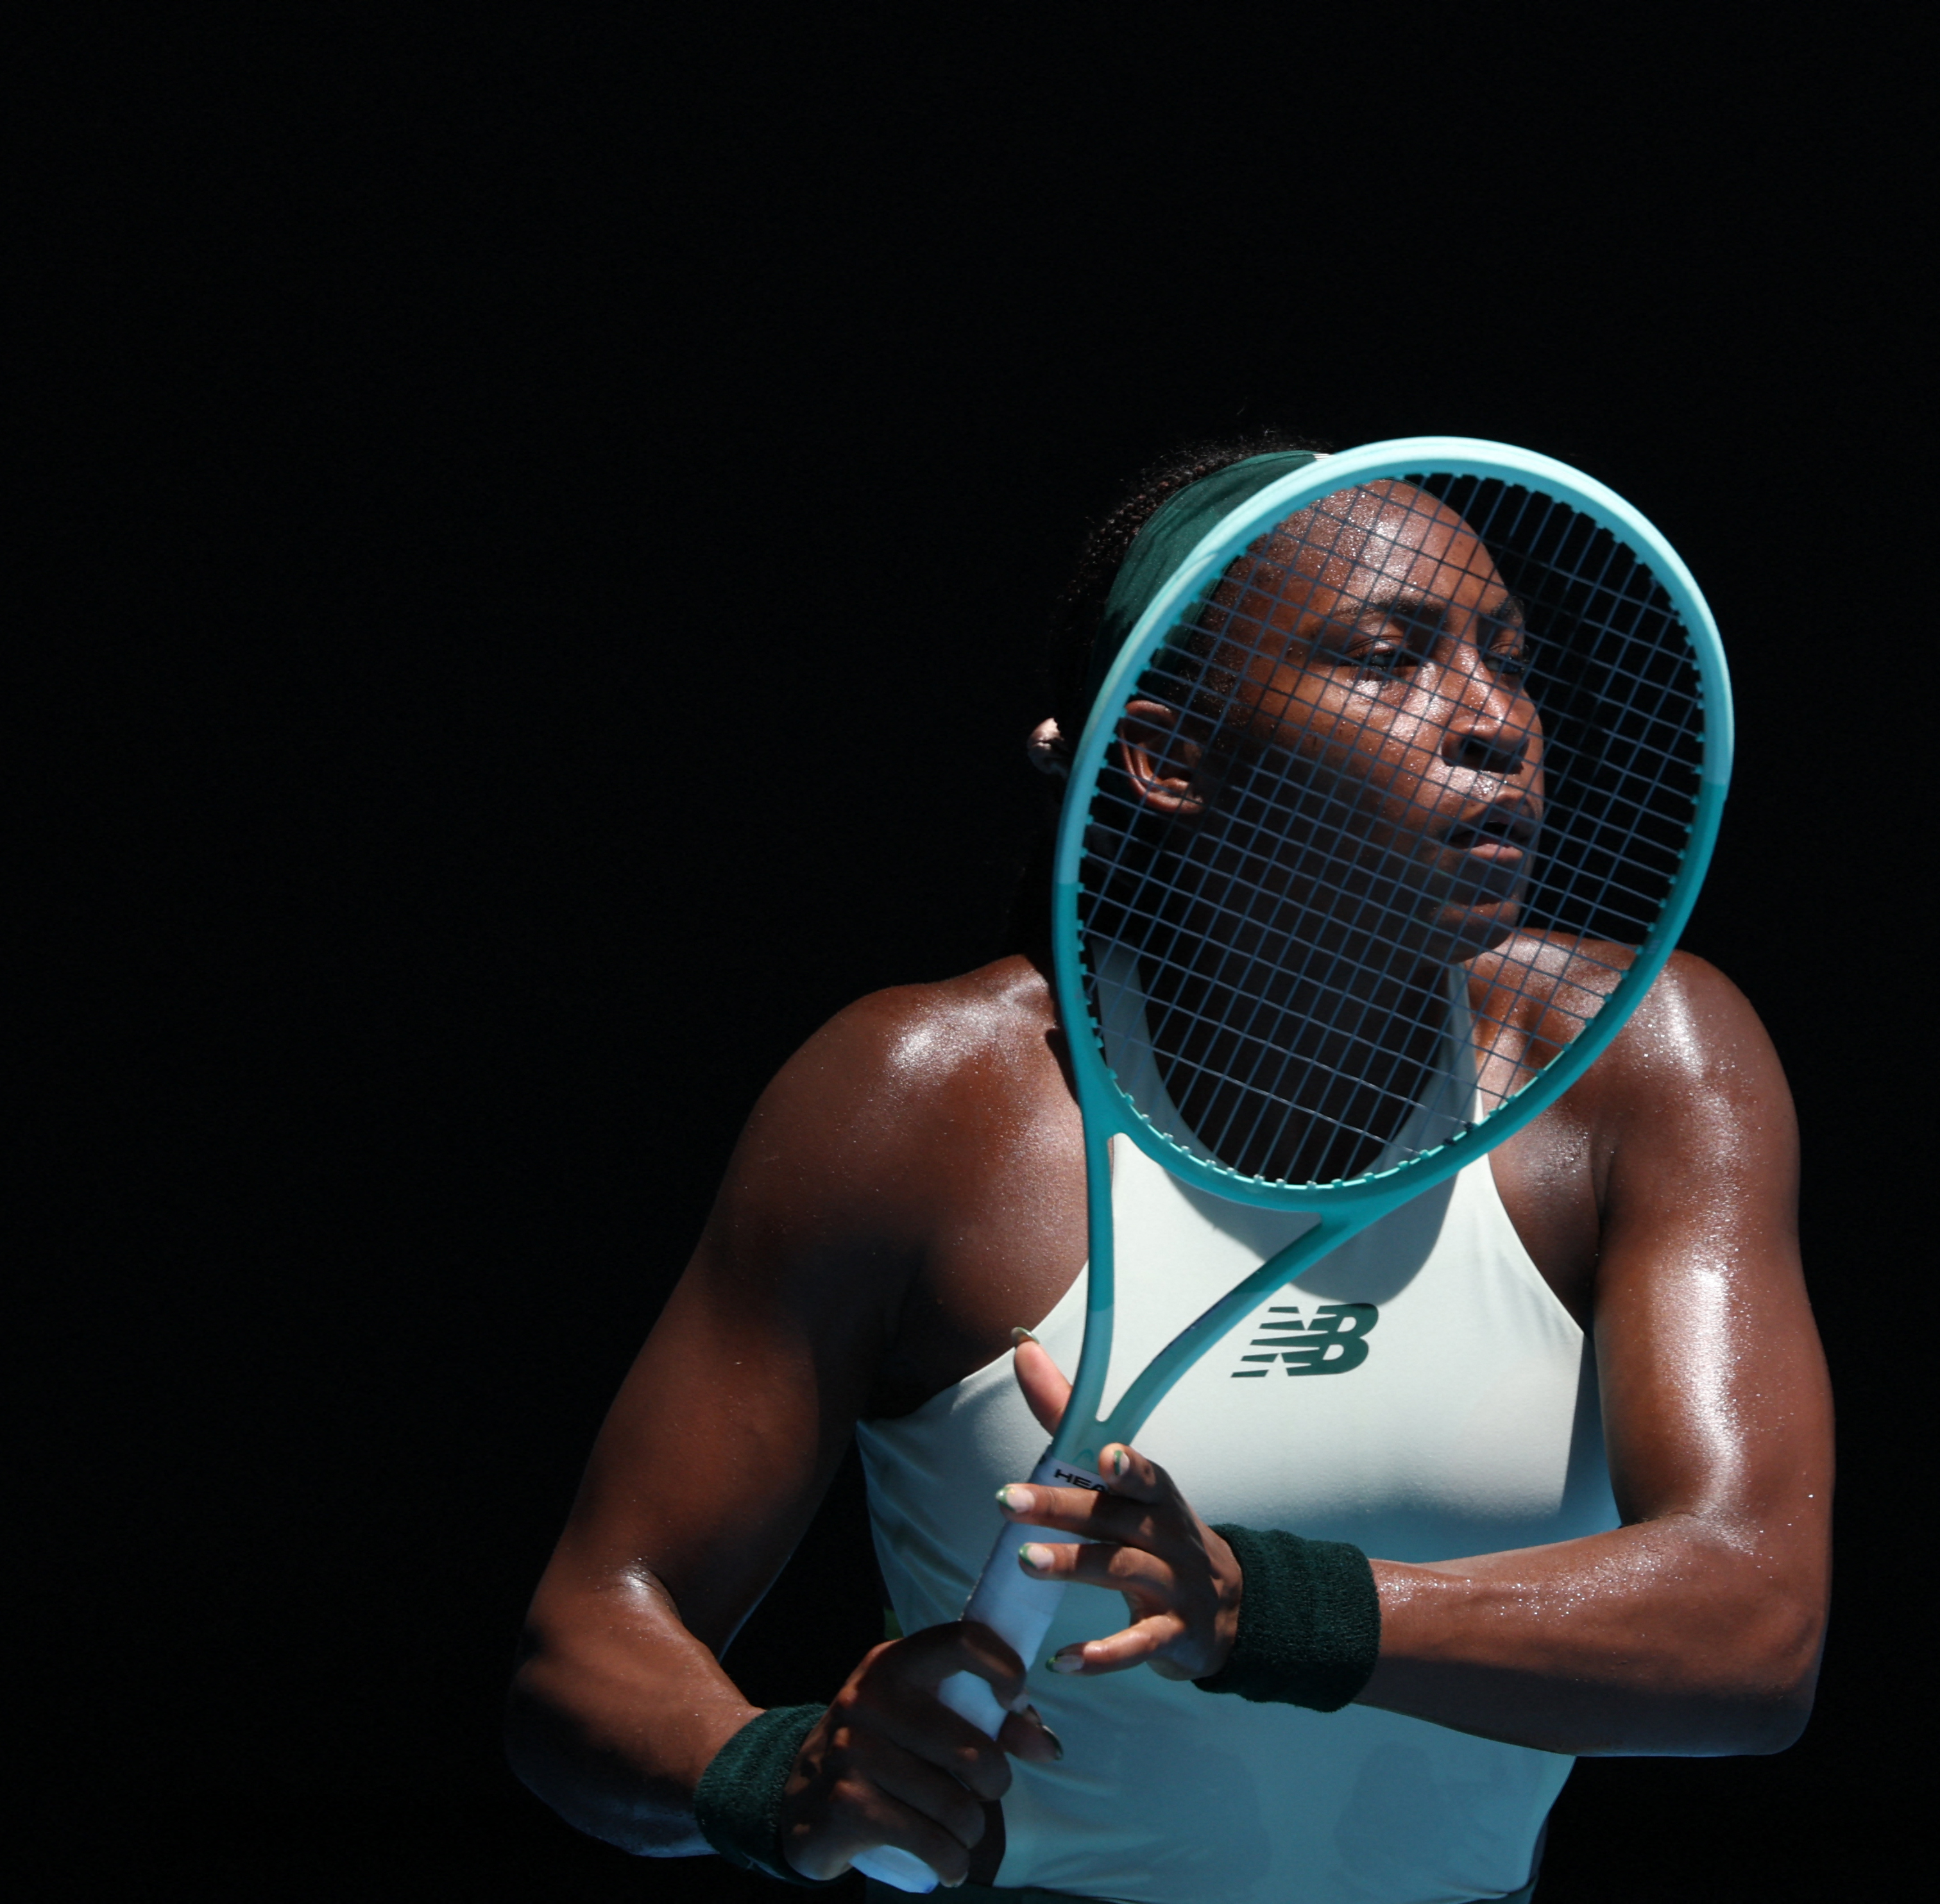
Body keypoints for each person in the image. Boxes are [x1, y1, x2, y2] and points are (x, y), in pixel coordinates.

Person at [505, 435, 1834, 1901]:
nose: (1493, 719)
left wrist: (1262, 1606)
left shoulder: (1637, 1062)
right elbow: (589, 1636)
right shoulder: (919, 1106)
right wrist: (776, 1770)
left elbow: (1751, 1618)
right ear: (1166, 755)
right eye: (1388, 657)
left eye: (1508, 660)